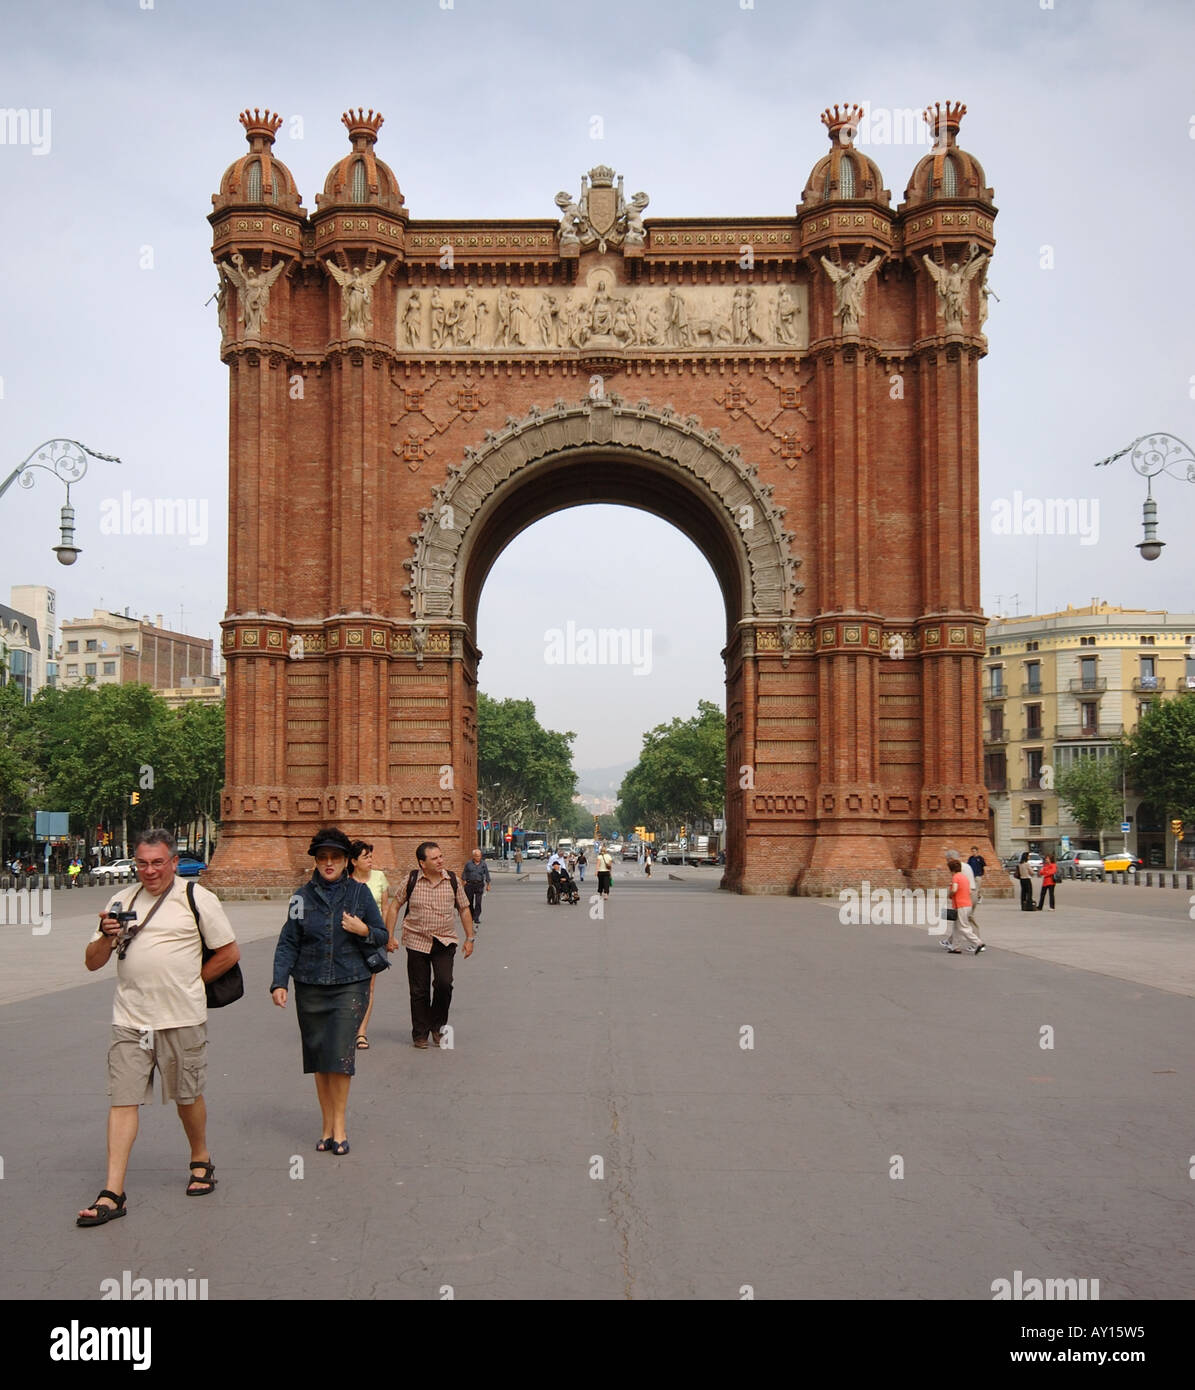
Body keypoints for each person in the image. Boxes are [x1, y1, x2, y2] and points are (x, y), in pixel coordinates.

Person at [76, 828, 239, 1227]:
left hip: (181, 1017)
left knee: (187, 1096)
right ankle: (113, 1192)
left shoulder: (195, 898)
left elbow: (229, 952)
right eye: (143, 863)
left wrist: (192, 984)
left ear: (173, 862)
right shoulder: (120, 900)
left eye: (157, 862)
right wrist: (106, 937)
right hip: (130, 1019)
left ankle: (200, 1158)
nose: (149, 871)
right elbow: (92, 961)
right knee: (123, 1100)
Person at [271, 828, 387, 1156]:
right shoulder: (301, 898)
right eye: (322, 857)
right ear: (316, 861)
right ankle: (325, 1125)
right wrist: (279, 981)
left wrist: (363, 929)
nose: (328, 863)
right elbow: (288, 941)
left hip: (350, 983)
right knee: (320, 1060)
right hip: (309, 986)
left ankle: (339, 1125)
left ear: (346, 861)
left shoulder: (360, 895)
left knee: (339, 1057)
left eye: (335, 857)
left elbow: (381, 934)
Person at [386, 841, 474, 1050]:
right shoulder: (412, 880)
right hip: (417, 941)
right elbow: (394, 906)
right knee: (419, 990)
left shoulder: (452, 880)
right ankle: (420, 1033)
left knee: (444, 984)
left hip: (444, 941)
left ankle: (437, 1025)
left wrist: (470, 938)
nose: (440, 861)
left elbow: (464, 909)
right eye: (434, 858)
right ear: (422, 863)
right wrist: (389, 936)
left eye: (441, 856)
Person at [348, 841, 390, 1050]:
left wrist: (387, 937)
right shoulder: (344, 882)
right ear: (353, 861)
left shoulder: (380, 877)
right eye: (366, 857)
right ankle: (346, 1026)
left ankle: (361, 1032)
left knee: (369, 987)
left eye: (371, 856)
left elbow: (385, 909)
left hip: (372, 939)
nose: (370, 860)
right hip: (349, 940)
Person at [941, 855, 985, 955]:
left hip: (961, 904)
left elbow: (954, 889)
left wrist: (950, 894)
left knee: (963, 927)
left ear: (951, 869)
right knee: (956, 926)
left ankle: (978, 943)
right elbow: (969, 891)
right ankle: (955, 947)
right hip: (966, 904)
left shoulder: (955, 877)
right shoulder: (965, 878)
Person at [462, 847, 491, 933]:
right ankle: (471, 915)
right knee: (469, 902)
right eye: (477, 856)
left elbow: (487, 874)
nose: (479, 857)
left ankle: (476, 917)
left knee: (478, 902)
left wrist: (488, 884)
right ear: (473, 856)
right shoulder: (468, 864)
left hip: (479, 884)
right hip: (469, 884)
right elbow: (464, 873)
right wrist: (463, 881)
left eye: (480, 856)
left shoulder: (483, 864)